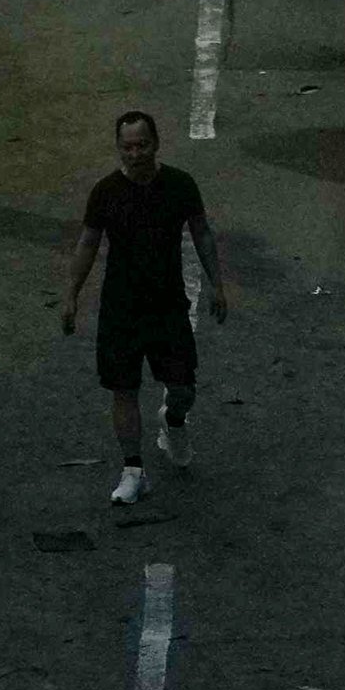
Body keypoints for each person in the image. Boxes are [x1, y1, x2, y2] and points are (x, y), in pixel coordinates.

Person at [59, 108, 230, 509]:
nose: (135, 154)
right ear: (118, 148)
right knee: (124, 389)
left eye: (142, 145)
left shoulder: (180, 185)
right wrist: (71, 294)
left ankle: (173, 420)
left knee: (183, 389)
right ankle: (133, 469)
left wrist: (216, 285)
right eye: (127, 147)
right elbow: (88, 243)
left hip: (168, 306)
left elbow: (201, 233)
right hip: (121, 308)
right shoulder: (105, 192)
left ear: (156, 144)